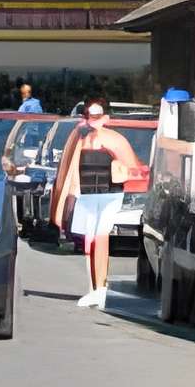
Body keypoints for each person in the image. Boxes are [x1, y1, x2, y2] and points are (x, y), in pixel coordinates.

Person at [49, 99, 147, 312]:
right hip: (86, 196)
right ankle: (94, 287)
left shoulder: (115, 141)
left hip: (109, 196)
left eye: (96, 116)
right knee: (89, 240)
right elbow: (70, 171)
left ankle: (101, 288)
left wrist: (121, 170)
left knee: (100, 237)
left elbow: (134, 168)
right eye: (88, 116)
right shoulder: (79, 140)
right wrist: (70, 198)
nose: (92, 121)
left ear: (106, 118)